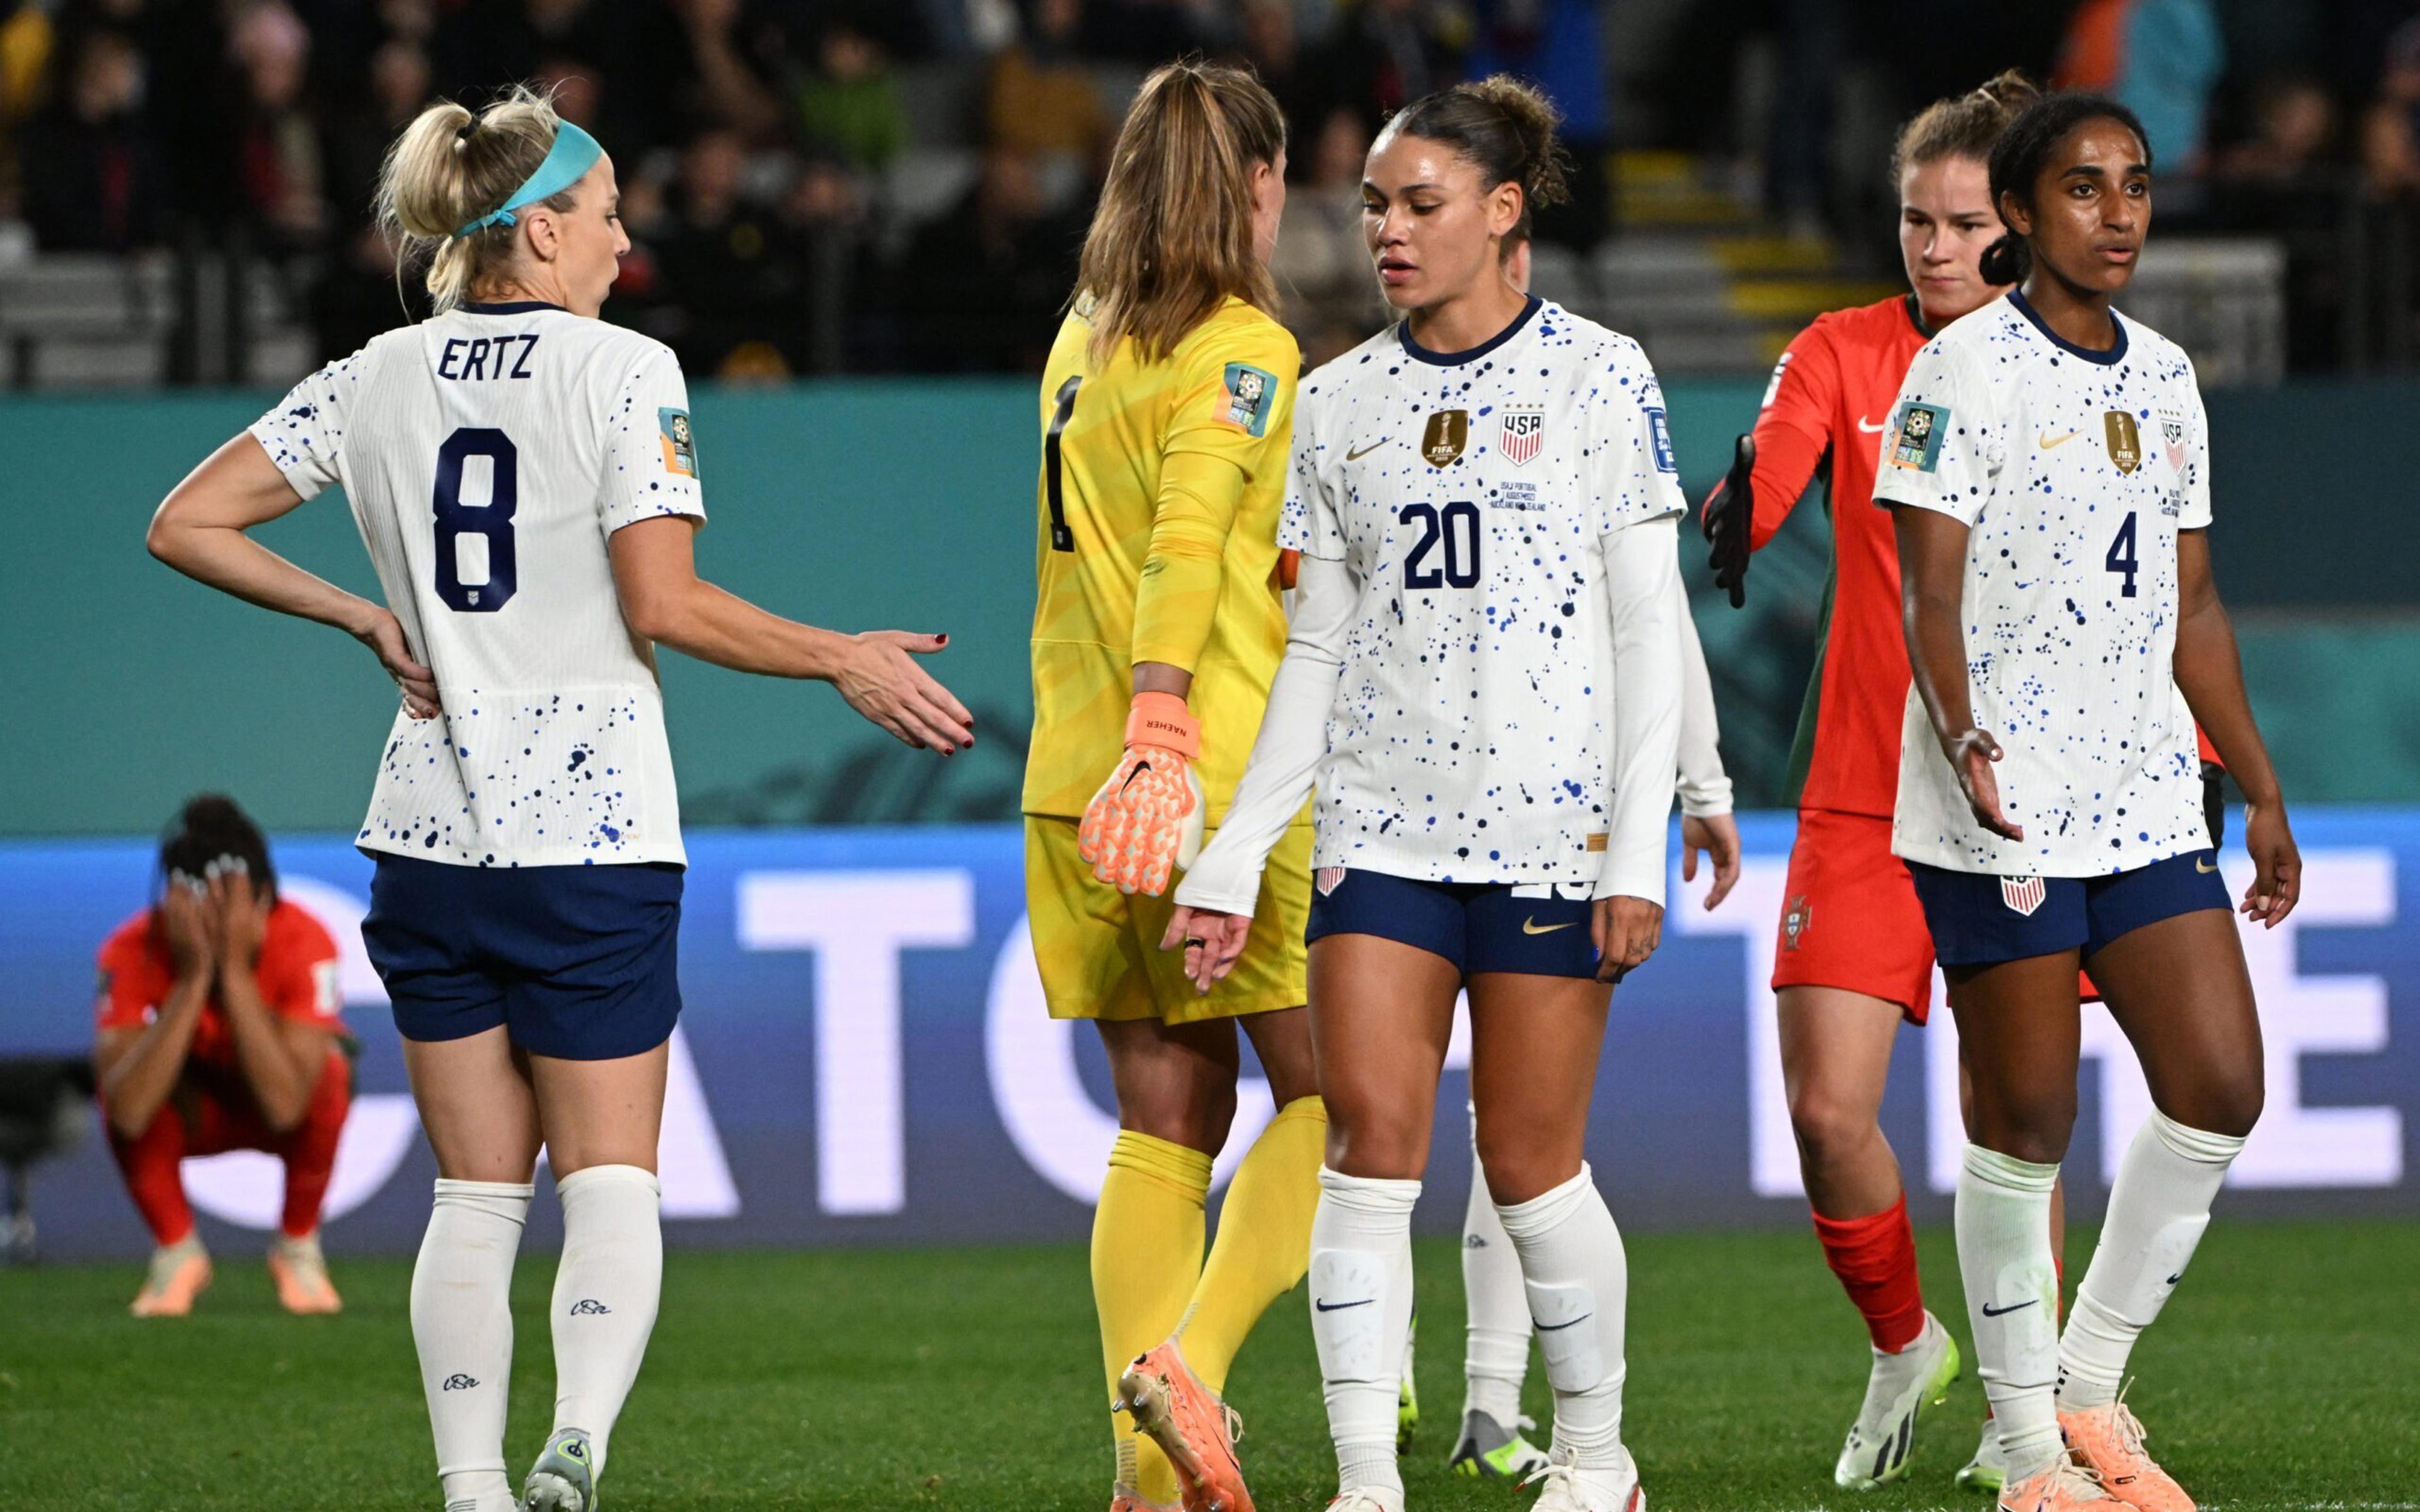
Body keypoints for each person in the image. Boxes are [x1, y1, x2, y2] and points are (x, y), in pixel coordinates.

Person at [144, 85, 971, 1512]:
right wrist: (836, 651)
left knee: (474, 1197)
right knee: (608, 1179)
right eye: (601, 213)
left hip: (427, 832)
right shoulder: (622, 368)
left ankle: (469, 1486)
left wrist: (358, 615)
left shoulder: (379, 373)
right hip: (589, 835)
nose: (625, 234)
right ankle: (574, 1441)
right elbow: (662, 599)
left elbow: (183, 520)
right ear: (533, 233)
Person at [1172, 76, 1688, 1512]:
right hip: (1379, 827)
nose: (1387, 232)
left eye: (1420, 204)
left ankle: (1594, 1460)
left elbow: (1648, 632)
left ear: (1502, 211)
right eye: (1374, 207)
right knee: (1364, 1151)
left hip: (1547, 833)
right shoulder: (1335, 404)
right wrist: (1234, 848)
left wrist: (1633, 846)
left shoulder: (1599, 376)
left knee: (1528, 1167)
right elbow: (1317, 648)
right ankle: (1360, 1486)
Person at [1878, 90, 2298, 1512]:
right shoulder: (1959, 373)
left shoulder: (2167, 377)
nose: (2116, 213)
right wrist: (1963, 728)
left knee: (2221, 1087)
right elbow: (1925, 590)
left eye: (2134, 185)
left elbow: (2192, 606)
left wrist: (2257, 781)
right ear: (2021, 210)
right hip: (1996, 801)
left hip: (2140, 792)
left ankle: (2090, 1388)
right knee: (2027, 1120)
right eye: (2082, 187)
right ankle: (2024, 1458)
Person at [1700, 71, 2045, 1494]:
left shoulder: (2077, 375)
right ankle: (1906, 1341)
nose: (1931, 247)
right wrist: (1744, 496)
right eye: (1913, 220)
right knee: (1830, 1110)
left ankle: (2028, 1409)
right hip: (1862, 786)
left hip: (2021, 797)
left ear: (2014, 230)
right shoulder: (1843, 353)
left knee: (2011, 1123)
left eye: (1961, 223)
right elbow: (1777, 457)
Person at [1021, 59, 1325, 1512]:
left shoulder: (1078, 339)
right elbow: (1186, 543)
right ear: (1257, 185)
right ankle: (1192, 1361)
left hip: (1073, 779)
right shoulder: (1243, 346)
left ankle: (1144, 1484)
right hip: (1200, 773)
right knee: (1351, 1103)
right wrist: (1167, 729)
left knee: (1164, 1121)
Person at [95, 794, 350, 1319]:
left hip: (268, 1108)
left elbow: (285, 1107)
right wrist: (193, 980)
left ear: (262, 901)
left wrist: (232, 973)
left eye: (230, 905)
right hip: (193, 1111)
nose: (213, 922)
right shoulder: (132, 948)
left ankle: (297, 1247)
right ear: (173, 902)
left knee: (330, 1072)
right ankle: (177, 1250)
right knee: (123, 1079)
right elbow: (127, 1112)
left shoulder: (305, 940)